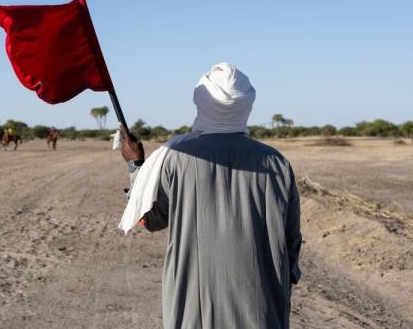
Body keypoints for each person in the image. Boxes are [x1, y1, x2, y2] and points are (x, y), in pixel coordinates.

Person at [120, 62, 301, 329]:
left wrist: (136, 166)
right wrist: (284, 284)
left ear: (201, 101)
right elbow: (291, 241)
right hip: (262, 310)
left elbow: (151, 220)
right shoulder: (277, 163)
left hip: (194, 310)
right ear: (247, 104)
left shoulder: (174, 159)